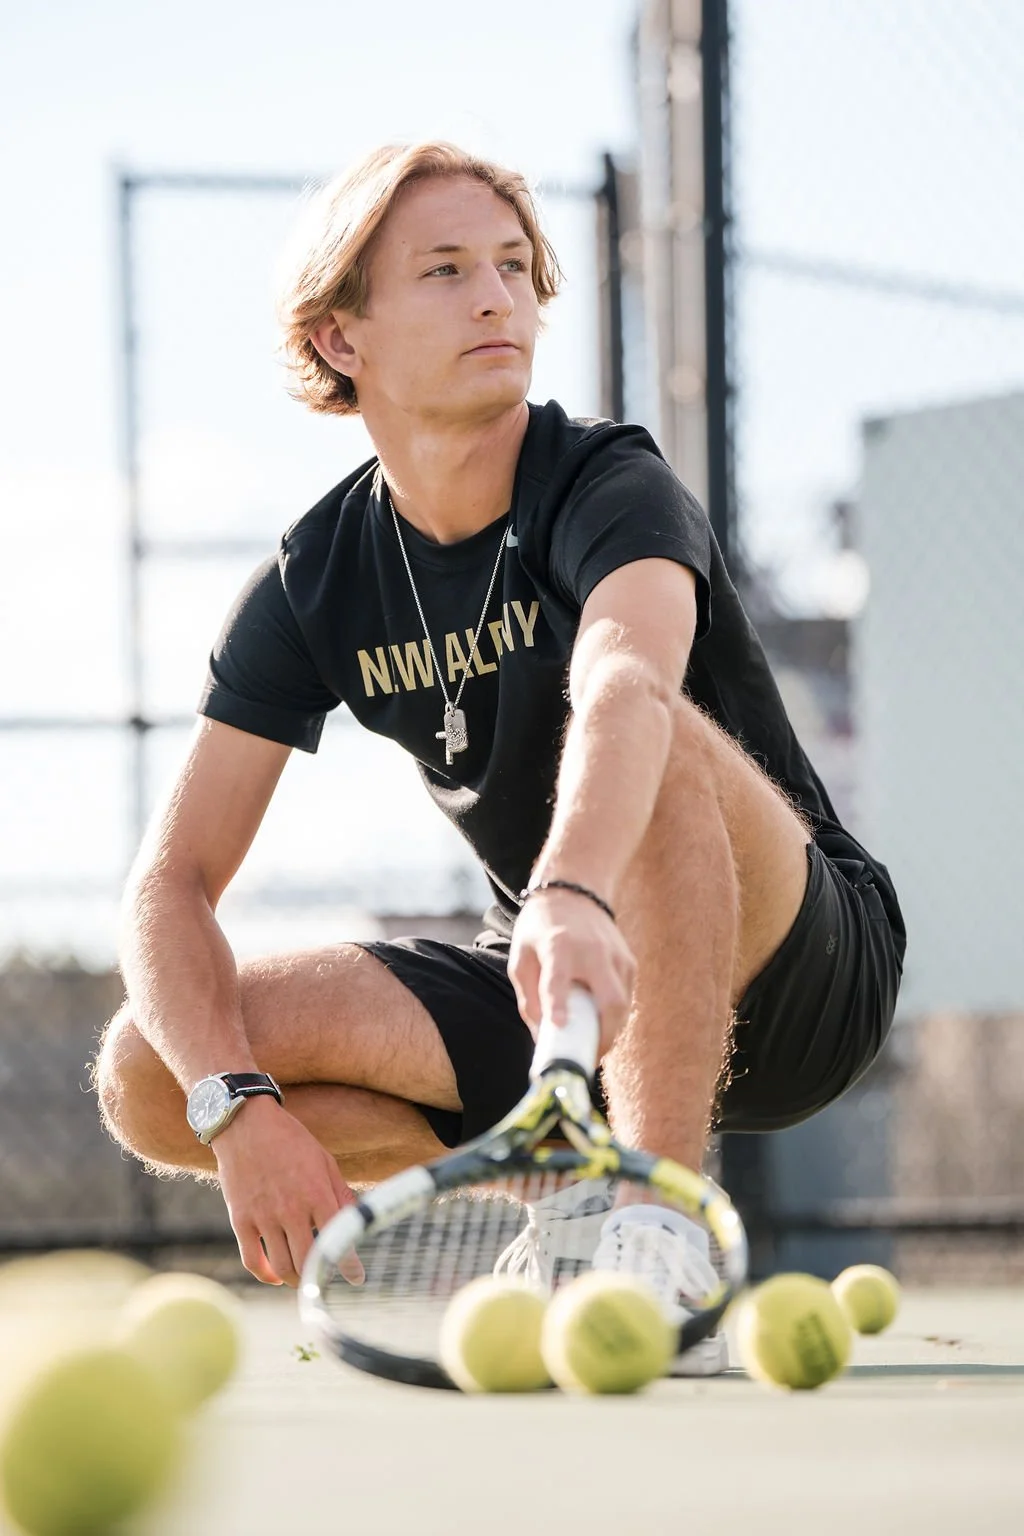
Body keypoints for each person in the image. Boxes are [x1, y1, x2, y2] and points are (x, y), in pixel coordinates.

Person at [93, 141, 904, 1375]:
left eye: (516, 268)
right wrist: (234, 1108)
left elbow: (629, 680)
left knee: (663, 734)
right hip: (558, 983)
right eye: (446, 270)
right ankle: (566, 1212)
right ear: (339, 338)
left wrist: (572, 887)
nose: (498, 298)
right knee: (152, 1067)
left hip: (797, 959)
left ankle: (656, 1232)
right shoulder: (315, 581)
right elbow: (171, 886)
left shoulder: (607, 483)